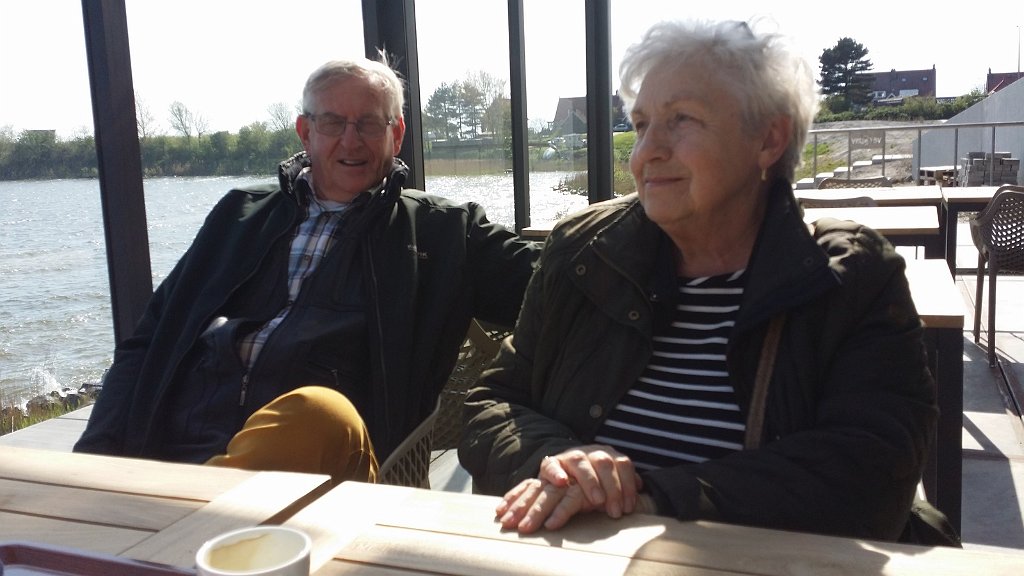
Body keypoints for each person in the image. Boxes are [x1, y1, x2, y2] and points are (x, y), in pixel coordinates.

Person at [458, 19, 939, 542]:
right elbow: (492, 406)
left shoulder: (850, 279)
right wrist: (555, 460)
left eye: (681, 119)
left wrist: (654, 498)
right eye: (641, 125)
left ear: (768, 139)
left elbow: (868, 477)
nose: (646, 153)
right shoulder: (582, 252)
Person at [74, 55, 540, 484]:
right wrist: (96, 451)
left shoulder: (443, 233)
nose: (351, 140)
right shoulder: (241, 215)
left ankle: (178, 531)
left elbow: (555, 282)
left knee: (317, 413)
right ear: (305, 131)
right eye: (333, 122)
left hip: (334, 466)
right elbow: (150, 340)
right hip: (179, 451)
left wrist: (608, 226)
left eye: (369, 124)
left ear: (396, 135)